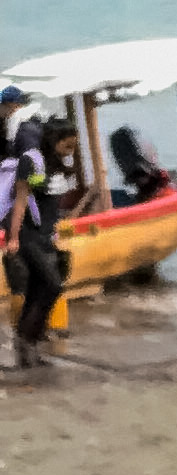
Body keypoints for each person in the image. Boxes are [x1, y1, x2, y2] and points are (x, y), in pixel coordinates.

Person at [3, 85, 62, 374]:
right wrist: (13, 236)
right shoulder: (29, 144)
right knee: (50, 283)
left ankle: (28, 346)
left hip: (33, 225)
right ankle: (26, 342)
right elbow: (22, 195)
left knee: (42, 284)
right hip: (23, 224)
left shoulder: (24, 135)